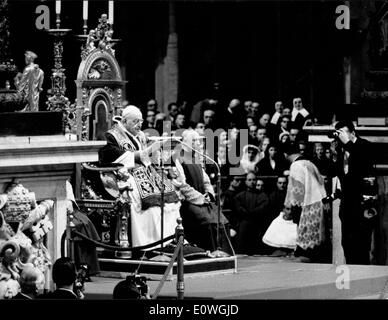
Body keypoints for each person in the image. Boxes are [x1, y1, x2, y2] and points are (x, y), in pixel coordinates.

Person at [99, 105, 181, 248]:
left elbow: (149, 157)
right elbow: (111, 155)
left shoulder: (140, 135)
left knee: (170, 200)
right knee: (151, 205)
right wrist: (146, 152)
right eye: (135, 121)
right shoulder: (112, 135)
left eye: (141, 121)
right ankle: (150, 243)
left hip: (146, 173)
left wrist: (157, 149)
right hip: (125, 175)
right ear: (124, 121)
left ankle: (169, 240)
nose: (140, 125)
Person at [172, 129, 230, 253]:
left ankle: (222, 252)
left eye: (198, 141)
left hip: (203, 200)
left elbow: (206, 181)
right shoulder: (178, 159)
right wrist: (200, 198)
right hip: (189, 202)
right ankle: (208, 251)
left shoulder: (197, 158)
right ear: (184, 143)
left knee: (222, 220)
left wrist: (209, 194)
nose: (197, 143)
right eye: (193, 141)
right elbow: (182, 185)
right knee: (207, 223)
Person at [332, 120, 375, 265]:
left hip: (362, 203)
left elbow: (363, 165)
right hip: (347, 204)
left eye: (343, 133)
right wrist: (334, 154)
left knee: (362, 245)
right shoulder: (341, 149)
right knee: (347, 244)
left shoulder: (365, 145)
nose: (341, 137)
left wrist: (348, 144)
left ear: (353, 132)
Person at [283, 143, 327, 263]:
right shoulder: (309, 163)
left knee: (305, 228)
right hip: (318, 199)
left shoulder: (296, 165)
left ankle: (306, 254)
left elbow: (297, 188)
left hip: (307, 202)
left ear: (286, 155)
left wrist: (292, 206)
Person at [234, 171, 270, 255]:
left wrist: (251, 213)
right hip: (244, 225)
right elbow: (239, 209)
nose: (252, 182)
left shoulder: (263, 196)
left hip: (257, 225)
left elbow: (262, 208)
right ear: (246, 181)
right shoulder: (239, 196)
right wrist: (248, 214)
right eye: (249, 180)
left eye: (254, 180)